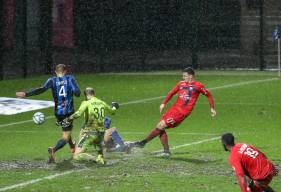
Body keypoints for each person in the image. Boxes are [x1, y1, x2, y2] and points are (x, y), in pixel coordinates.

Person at [133, 67, 216, 157]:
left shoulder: (198, 86)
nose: (183, 78)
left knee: (161, 126)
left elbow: (209, 95)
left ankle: (142, 143)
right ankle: (166, 151)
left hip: (182, 113)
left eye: (185, 76)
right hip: (173, 109)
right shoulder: (180, 84)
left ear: (191, 76)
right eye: (183, 76)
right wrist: (163, 103)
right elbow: (171, 93)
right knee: (160, 127)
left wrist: (212, 108)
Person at [16, 64, 80, 163]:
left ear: (55, 72)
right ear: (66, 71)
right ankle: (53, 149)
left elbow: (41, 89)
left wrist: (26, 94)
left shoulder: (52, 80)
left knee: (66, 129)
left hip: (58, 112)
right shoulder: (70, 79)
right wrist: (73, 91)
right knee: (66, 136)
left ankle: (72, 147)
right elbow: (77, 93)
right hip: (68, 111)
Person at [67, 87, 119, 164]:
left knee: (76, 155)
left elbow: (78, 114)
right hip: (101, 134)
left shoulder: (86, 102)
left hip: (90, 133)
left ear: (85, 95)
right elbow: (112, 112)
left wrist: (67, 119)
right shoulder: (101, 102)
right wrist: (114, 106)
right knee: (99, 152)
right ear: (94, 94)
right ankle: (100, 158)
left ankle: (95, 159)